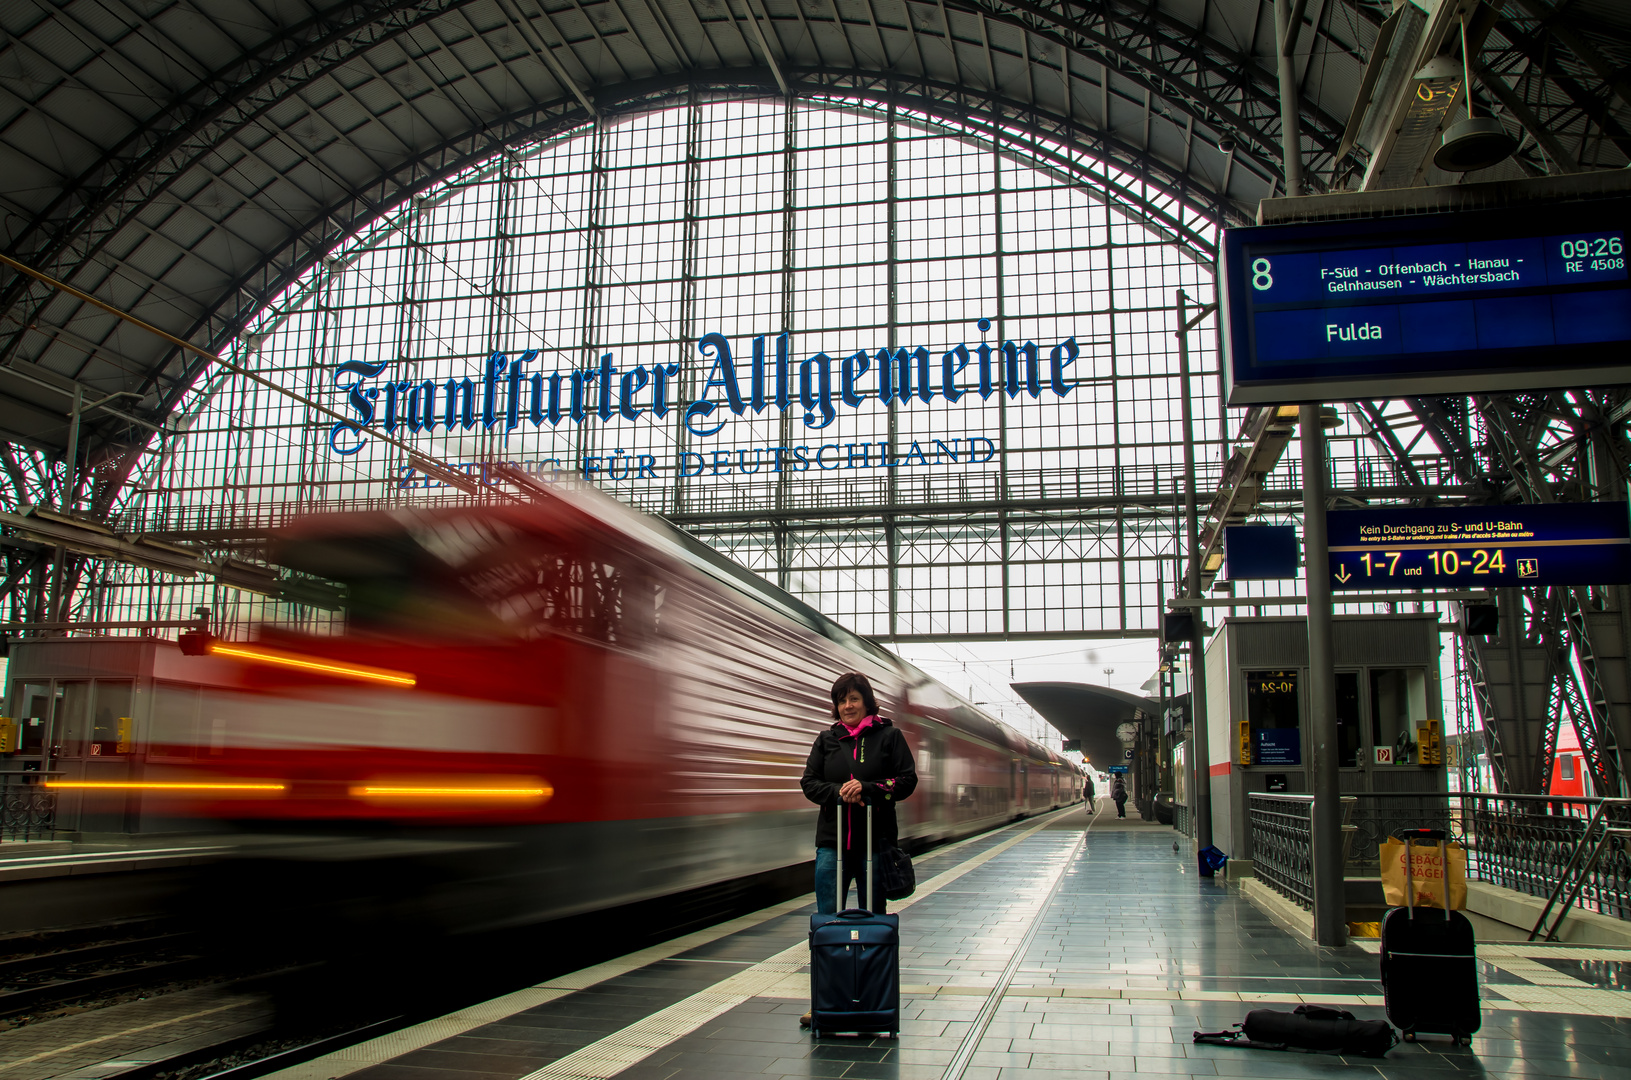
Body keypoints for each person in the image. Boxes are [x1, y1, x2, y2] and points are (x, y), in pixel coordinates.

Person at [798, 671, 917, 1028]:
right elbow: (809, 782)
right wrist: (839, 793)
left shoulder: (890, 736)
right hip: (832, 846)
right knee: (828, 926)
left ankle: (870, 998)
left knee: (871, 922)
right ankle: (824, 1001)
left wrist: (867, 788)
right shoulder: (826, 740)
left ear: (867, 700)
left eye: (853, 698)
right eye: (841, 700)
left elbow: (906, 780)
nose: (847, 706)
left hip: (875, 846)